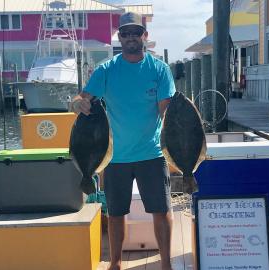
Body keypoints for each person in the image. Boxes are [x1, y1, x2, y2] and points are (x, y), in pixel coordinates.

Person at [71, 12, 176, 270]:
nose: (131, 37)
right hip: (114, 155)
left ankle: (166, 264)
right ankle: (115, 263)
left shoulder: (159, 69)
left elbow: (167, 112)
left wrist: (183, 123)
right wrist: (78, 104)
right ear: (119, 36)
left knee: (161, 212)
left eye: (136, 32)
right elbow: (78, 100)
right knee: (116, 214)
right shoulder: (107, 70)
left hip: (151, 154)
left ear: (145, 36)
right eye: (125, 33)